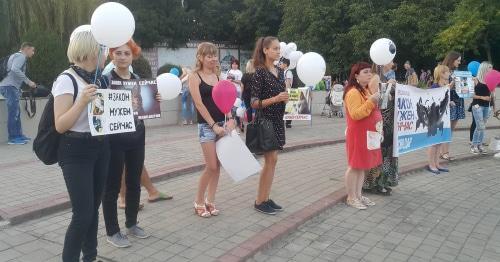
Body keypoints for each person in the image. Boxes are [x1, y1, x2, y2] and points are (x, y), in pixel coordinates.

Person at [52, 31, 109, 262]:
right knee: (82, 214)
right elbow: (60, 124)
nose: (106, 55)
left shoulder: (100, 79)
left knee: (93, 209)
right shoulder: (66, 79)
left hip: (100, 147)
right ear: (91, 51)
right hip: (75, 149)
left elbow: (105, 116)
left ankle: (90, 256)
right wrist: (81, 101)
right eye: (102, 50)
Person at [102, 39, 154, 248]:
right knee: (112, 186)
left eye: (126, 53)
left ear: (133, 56)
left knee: (134, 182)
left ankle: (131, 224)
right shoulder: (105, 81)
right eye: (118, 53)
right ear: (111, 56)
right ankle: (112, 231)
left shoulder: (138, 80)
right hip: (114, 140)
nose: (122, 57)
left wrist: (154, 97)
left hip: (137, 137)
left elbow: (143, 106)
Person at [189, 42, 235, 218]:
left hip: (222, 125)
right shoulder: (194, 76)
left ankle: (210, 200)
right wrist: (213, 126)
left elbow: (226, 98)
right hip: (206, 127)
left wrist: (230, 119)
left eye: (215, 55)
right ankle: (198, 201)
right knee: (211, 166)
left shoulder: (218, 75)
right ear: (200, 57)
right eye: (209, 56)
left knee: (218, 167)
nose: (213, 59)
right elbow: (199, 104)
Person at [251, 36, 289, 215]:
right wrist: (275, 99)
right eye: (274, 48)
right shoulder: (260, 72)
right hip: (266, 121)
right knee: (269, 161)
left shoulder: (280, 71)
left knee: (273, 160)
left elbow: (282, 94)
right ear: (265, 50)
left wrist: (285, 97)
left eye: (279, 48)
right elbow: (253, 102)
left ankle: (265, 197)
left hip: (278, 120)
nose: (278, 51)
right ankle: (260, 201)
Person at [343, 62, 381, 210]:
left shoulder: (365, 90)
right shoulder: (353, 92)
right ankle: (351, 197)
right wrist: (371, 102)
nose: (369, 74)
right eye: (365, 72)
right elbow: (356, 114)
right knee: (354, 165)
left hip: (367, 134)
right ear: (356, 75)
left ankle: (358, 195)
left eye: (369, 72)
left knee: (362, 165)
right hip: (357, 134)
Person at [364, 61, 399, 195]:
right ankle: (373, 183)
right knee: (380, 152)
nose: (393, 62)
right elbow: (375, 100)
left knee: (386, 152)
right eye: (391, 59)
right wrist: (389, 86)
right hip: (382, 120)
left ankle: (382, 181)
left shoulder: (385, 76)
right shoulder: (376, 77)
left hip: (388, 121)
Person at [0, 42, 36, 145]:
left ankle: (19, 135)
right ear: (26, 49)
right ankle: (13, 138)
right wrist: (28, 81)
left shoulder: (14, 55)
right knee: (13, 112)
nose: (33, 53)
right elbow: (14, 69)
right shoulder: (21, 57)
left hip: (8, 86)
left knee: (16, 111)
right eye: (32, 50)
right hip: (9, 87)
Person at [426, 65, 451, 174]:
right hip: (434, 117)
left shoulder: (445, 86)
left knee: (439, 142)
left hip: (442, 117)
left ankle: (436, 163)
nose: (449, 73)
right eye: (447, 72)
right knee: (433, 142)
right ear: (441, 73)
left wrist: (450, 102)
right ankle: (431, 164)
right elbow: (432, 101)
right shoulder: (435, 87)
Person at [440, 51, 463, 161]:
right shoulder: (444, 70)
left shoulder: (456, 71)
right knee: (446, 128)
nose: (459, 62)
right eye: (458, 60)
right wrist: (453, 82)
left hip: (458, 100)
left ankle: (445, 152)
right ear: (452, 59)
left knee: (451, 129)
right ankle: (444, 152)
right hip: (449, 101)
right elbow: (442, 88)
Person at [470, 62, 493, 154]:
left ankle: (480, 145)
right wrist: (482, 97)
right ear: (484, 68)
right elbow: (471, 95)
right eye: (489, 67)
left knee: (483, 126)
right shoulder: (475, 80)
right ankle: (473, 145)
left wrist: (492, 95)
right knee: (479, 125)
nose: (491, 69)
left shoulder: (489, 80)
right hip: (477, 105)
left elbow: (490, 93)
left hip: (487, 105)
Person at [227, 60, 244, 133]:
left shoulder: (239, 72)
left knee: (236, 110)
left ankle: (239, 126)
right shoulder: (229, 71)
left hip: (237, 91)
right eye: (233, 64)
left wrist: (233, 80)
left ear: (238, 65)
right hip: (230, 91)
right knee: (230, 110)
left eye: (236, 64)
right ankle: (231, 127)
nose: (234, 65)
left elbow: (240, 82)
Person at [279, 58, 294, 128]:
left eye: (281, 64)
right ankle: (284, 122)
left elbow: (288, 83)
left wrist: (285, 92)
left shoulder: (288, 72)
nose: (280, 65)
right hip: (283, 91)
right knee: (284, 108)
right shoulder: (282, 72)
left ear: (285, 64)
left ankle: (288, 123)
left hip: (287, 92)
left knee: (288, 108)